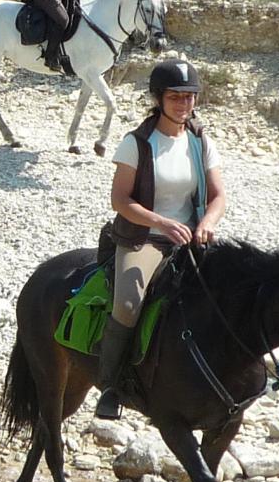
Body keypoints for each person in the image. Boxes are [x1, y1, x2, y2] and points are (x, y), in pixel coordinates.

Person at [95, 59, 227, 420]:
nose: (184, 104)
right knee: (127, 303)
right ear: (158, 98)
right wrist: (162, 223)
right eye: (175, 97)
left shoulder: (201, 141)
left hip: (191, 238)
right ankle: (111, 385)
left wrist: (208, 222)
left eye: (190, 96)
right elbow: (120, 200)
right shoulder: (137, 142)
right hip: (145, 238)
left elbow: (218, 196)